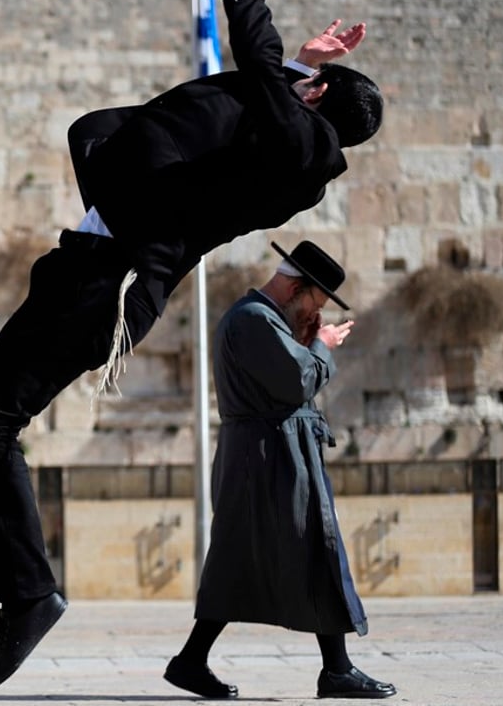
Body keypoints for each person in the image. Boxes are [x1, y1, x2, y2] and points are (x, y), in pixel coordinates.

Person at [0, 0, 385, 693]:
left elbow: (260, 65)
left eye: (306, 87)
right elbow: (264, 82)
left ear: (316, 103)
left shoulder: (304, 150)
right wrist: (301, 63)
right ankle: (31, 594)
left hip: (105, 285)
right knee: (95, 132)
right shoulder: (287, 136)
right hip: (96, 267)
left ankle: (29, 596)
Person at [164, 240, 395, 700]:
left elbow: (289, 377)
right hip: (268, 459)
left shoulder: (267, 321)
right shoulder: (254, 320)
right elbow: (297, 381)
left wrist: (310, 343)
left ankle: (192, 661)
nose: (317, 311)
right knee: (312, 547)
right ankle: (337, 671)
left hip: (271, 455)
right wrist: (324, 348)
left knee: (244, 559)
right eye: (315, 300)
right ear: (294, 286)